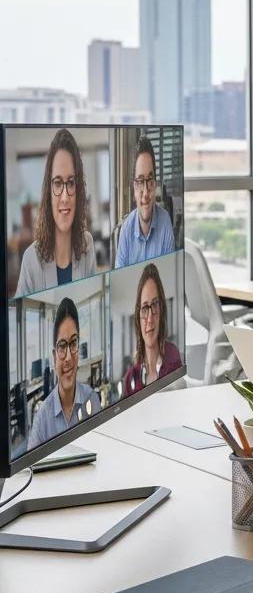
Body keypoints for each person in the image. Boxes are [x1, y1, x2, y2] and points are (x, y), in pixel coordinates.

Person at [16, 129, 96, 296]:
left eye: (71, 182)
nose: (65, 197)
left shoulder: (87, 245)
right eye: (58, 183)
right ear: (48, 192)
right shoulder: (30, 260)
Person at [27, 298, 100, 452]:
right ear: (54, 356)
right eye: (62, 346)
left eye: (73, 343)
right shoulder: (42, 418)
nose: (68, 357)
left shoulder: (91, 399)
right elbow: (30, 471)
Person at [114, 137, 176, 268]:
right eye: (141, 181)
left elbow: (169, 279)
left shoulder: (165, 222)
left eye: (150, 180)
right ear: (134, 187)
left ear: (155, 184)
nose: (146, 193)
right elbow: (118, 284)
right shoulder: (126, 230)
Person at [122, 263, 183, 396]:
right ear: (138, 317)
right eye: (144, 308)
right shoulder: (129, 379)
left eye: (155, 304)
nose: (150, 319)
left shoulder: (173, 355)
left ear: (162, 310)